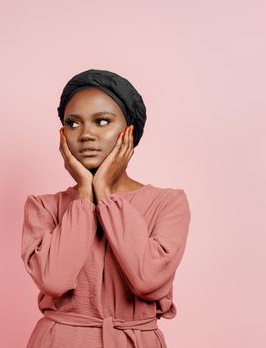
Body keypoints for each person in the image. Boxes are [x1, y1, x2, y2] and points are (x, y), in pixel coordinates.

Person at [21, 69, 191, 348]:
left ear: (130, 131)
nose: (86, 134)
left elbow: (147, 279)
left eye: (102, 121)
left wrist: (105, 193)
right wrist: (86, 195)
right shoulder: (43, 206)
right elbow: (54, 280)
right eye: (73, 124)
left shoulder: (168, 202)